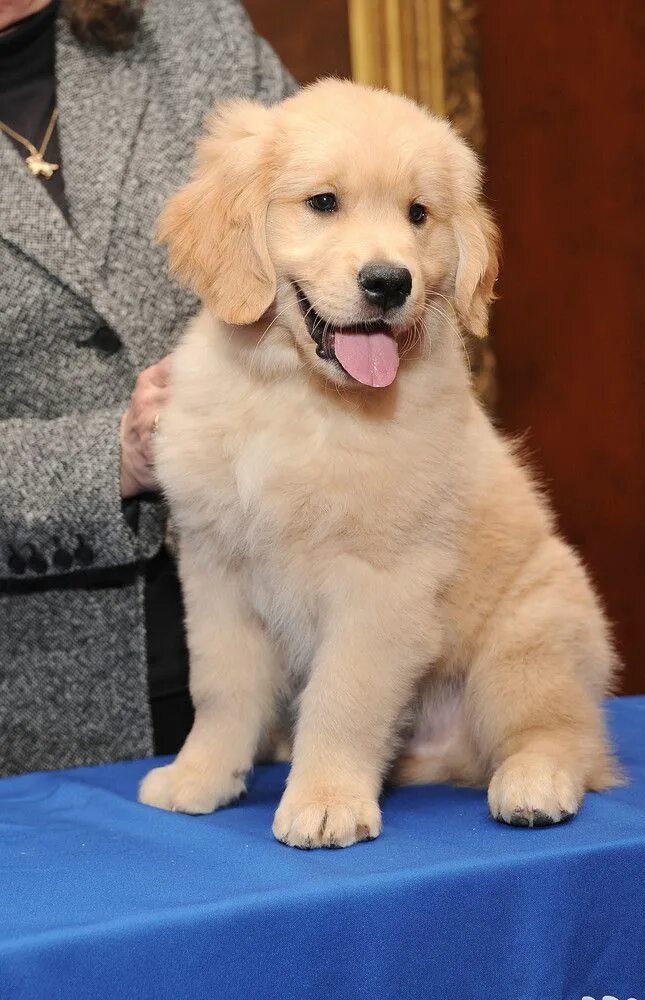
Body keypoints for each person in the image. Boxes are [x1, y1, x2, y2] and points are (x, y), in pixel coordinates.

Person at [0, 0, 296, 775]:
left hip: (290, 647)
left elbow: (344, 237)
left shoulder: (196, 30)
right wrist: (111, 458)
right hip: (37, 716)